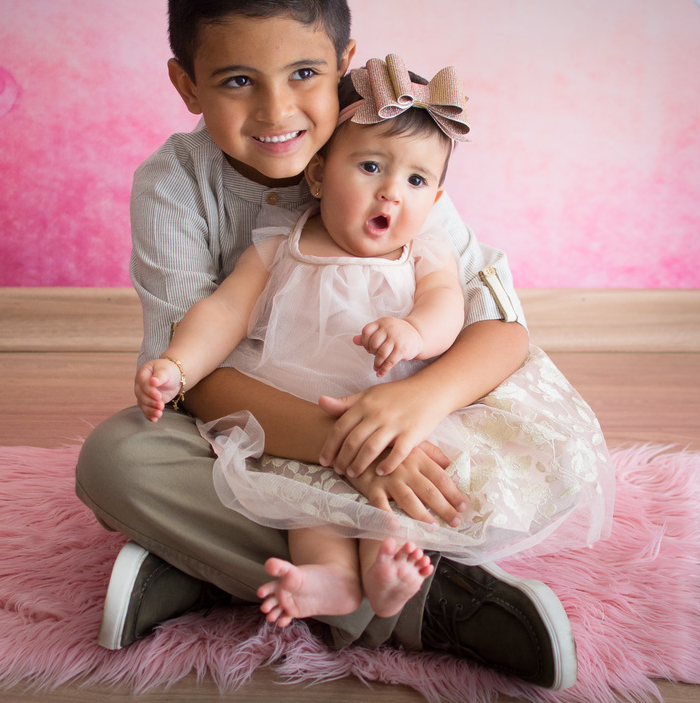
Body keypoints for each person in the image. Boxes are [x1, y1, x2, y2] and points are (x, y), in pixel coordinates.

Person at [74, 0, 601, 691]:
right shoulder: (175, 186)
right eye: (237, 81)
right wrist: (348, 450)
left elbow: (499, 330)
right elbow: (196, 374)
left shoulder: (388, 151)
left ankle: (204, 568)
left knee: (489, 456)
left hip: (402, 413)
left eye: (304, 74)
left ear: (344, 61)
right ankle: (426, 608)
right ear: (187, 84)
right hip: (259, 424)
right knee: (116, 460)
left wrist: (412, 407)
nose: (278, 113)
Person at [133, 56, 611, 632]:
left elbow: (446, 308)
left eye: (416, 182)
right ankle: (334, 580)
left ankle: (387, 575)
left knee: (398, 497)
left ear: (435, 200)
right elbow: (224, 312)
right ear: (317, 175)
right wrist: (177, 365)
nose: (391, 192)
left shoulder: (425, 252)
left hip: (396, 417)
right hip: (300, 420)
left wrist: (413, 332)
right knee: (307, 501)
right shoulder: (279, 246)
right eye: (369, 167)